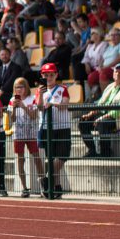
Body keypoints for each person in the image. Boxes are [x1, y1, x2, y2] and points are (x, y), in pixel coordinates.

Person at [79, 63, 120, 159]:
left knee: (103, 122)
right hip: (105, 115)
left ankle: (106, 152)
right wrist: (91, 114)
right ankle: (92, 150)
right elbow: (101, 103)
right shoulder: (110, 86)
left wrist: (102, 117)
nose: (117, 74)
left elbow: (119, 111)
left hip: (119, 120)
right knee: (83, 121)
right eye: (116, 72)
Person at [36, 63, 71, 197]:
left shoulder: (62, 89)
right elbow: (39, 107)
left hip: (62, 127)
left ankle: (46, 178)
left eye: (51, 74)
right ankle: (57, 187)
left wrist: (52, 104)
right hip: (46, 127)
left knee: (62, 156)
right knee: (51, 157)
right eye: (46, 75)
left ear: (56, 75)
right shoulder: (40, 91)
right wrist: (40, 94)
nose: (49, 77)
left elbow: (64, 105)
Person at [9, 78, 44, 197]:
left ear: (26, 88)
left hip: (31, 133)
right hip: (18, 134)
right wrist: (14, 108)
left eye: (21, 87)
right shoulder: (12, 100)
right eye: (17, 87)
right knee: (20, 159)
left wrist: (23, 107)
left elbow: (34, 116)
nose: (19, 90)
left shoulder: (32, 99)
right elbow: (12, 119)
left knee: (36, 157)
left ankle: (43, 184)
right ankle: (24, 187)